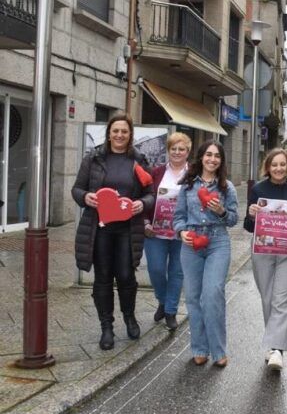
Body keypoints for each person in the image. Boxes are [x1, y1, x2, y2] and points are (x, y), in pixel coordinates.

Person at [72, 112, 154, 350]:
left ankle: (129, 317)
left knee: (127, 276)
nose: (119, 135)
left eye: (124, 131)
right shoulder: (94, 159)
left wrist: (143, 203)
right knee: (103, 277)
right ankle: (106, 326)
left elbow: (151, 193)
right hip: (100, 230)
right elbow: (77, 189)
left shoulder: (139, 160)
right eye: (115, 131)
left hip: (128, 229)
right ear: (109, 133)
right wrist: (86, 197)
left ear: (130, 135)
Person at [244, 148, 287, 372]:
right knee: (267, 298)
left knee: (281, 299)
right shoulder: (258, 189)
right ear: (268, 167)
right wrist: (251, 215)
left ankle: (276, 349)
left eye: (283, 164)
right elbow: (248, 227)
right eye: (274, 165)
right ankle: (273, 343)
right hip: (263, 251)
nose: (278, 168)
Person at [173, 141, 239, 368]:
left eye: (217, 156)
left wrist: (221, 211)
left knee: (212, 294)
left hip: (217, 242)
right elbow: (178, 216)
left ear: (221, 160)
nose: (212, 159)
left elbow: (233, 219)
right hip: (191, 242)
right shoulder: (188, 185)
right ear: (201, 157)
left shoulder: (226, 187)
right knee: (193, 297)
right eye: (208, 155)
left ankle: (219, 350)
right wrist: (181, 232)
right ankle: (200, 348)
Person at [143, 132, 191, 331]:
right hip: (156, 233)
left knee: (177, 272)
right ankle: (162, 300)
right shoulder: (156, 173)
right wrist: (145, 222)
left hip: (183, 233)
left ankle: (170, 310)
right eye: (174, 149)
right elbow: (145, 198)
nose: (177, 152)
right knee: (155, 269)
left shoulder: (194, 175)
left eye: (182, 149)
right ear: (168, 150)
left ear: (188, 152)